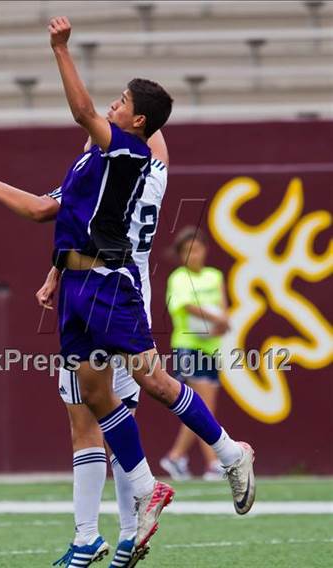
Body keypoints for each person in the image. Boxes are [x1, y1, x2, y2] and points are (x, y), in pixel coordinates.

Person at [36, 15, 256, 565]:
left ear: (132, 122)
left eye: (122, 102)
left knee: (130, 390)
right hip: (103, 279)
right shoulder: (150, 165)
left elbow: (64, 187)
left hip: (114, 282)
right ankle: (131, 520)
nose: (111, 106)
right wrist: (59, 271)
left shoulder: (113, 160)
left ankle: (203, 467)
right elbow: (145, 135)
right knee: (101, 395)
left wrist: (68, 56)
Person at [0, 128, 169, 568]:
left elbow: (42, 208)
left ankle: (88, 536)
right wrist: (55, 272)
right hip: (132, 306)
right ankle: (130, 535)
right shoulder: (148, 174)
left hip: (98, 302)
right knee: (118, 424)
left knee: (85, 422)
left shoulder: (100, 174)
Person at [160, 226, 230, 481]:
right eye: (186, 251)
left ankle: (176, 457)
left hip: (211, 347)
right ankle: (213, 463)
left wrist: (224, 322)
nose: (193, 255)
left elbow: (224, 307)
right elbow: (186, 305)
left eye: (197, 249)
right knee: (205, 407)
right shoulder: (178, 278)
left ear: (205, 251)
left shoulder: (214, 276)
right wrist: (215, 317)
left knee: (200, 409)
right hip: (188, 347)